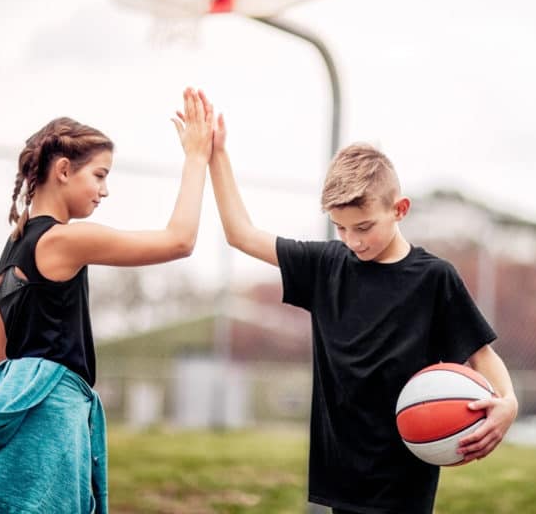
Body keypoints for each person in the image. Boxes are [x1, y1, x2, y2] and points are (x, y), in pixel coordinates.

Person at [203, 92, 519, 514]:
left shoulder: (433, 278)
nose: (353, 241)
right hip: (342, 477)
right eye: (341, 228)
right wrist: (216, 155)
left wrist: (509, 402)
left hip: (406, 477)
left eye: (364, 227)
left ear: (399, 209)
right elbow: (241, 233)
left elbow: (481, 355)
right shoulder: (325, 265)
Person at [0, 88, 214, 514]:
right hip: (50, 418)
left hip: (11, 420)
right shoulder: (64, 238)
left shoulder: (11, 249)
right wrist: (197, 158)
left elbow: (3, 359)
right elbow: (180, 241)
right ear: (65, 170)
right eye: (100, 175)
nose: (105, 190)